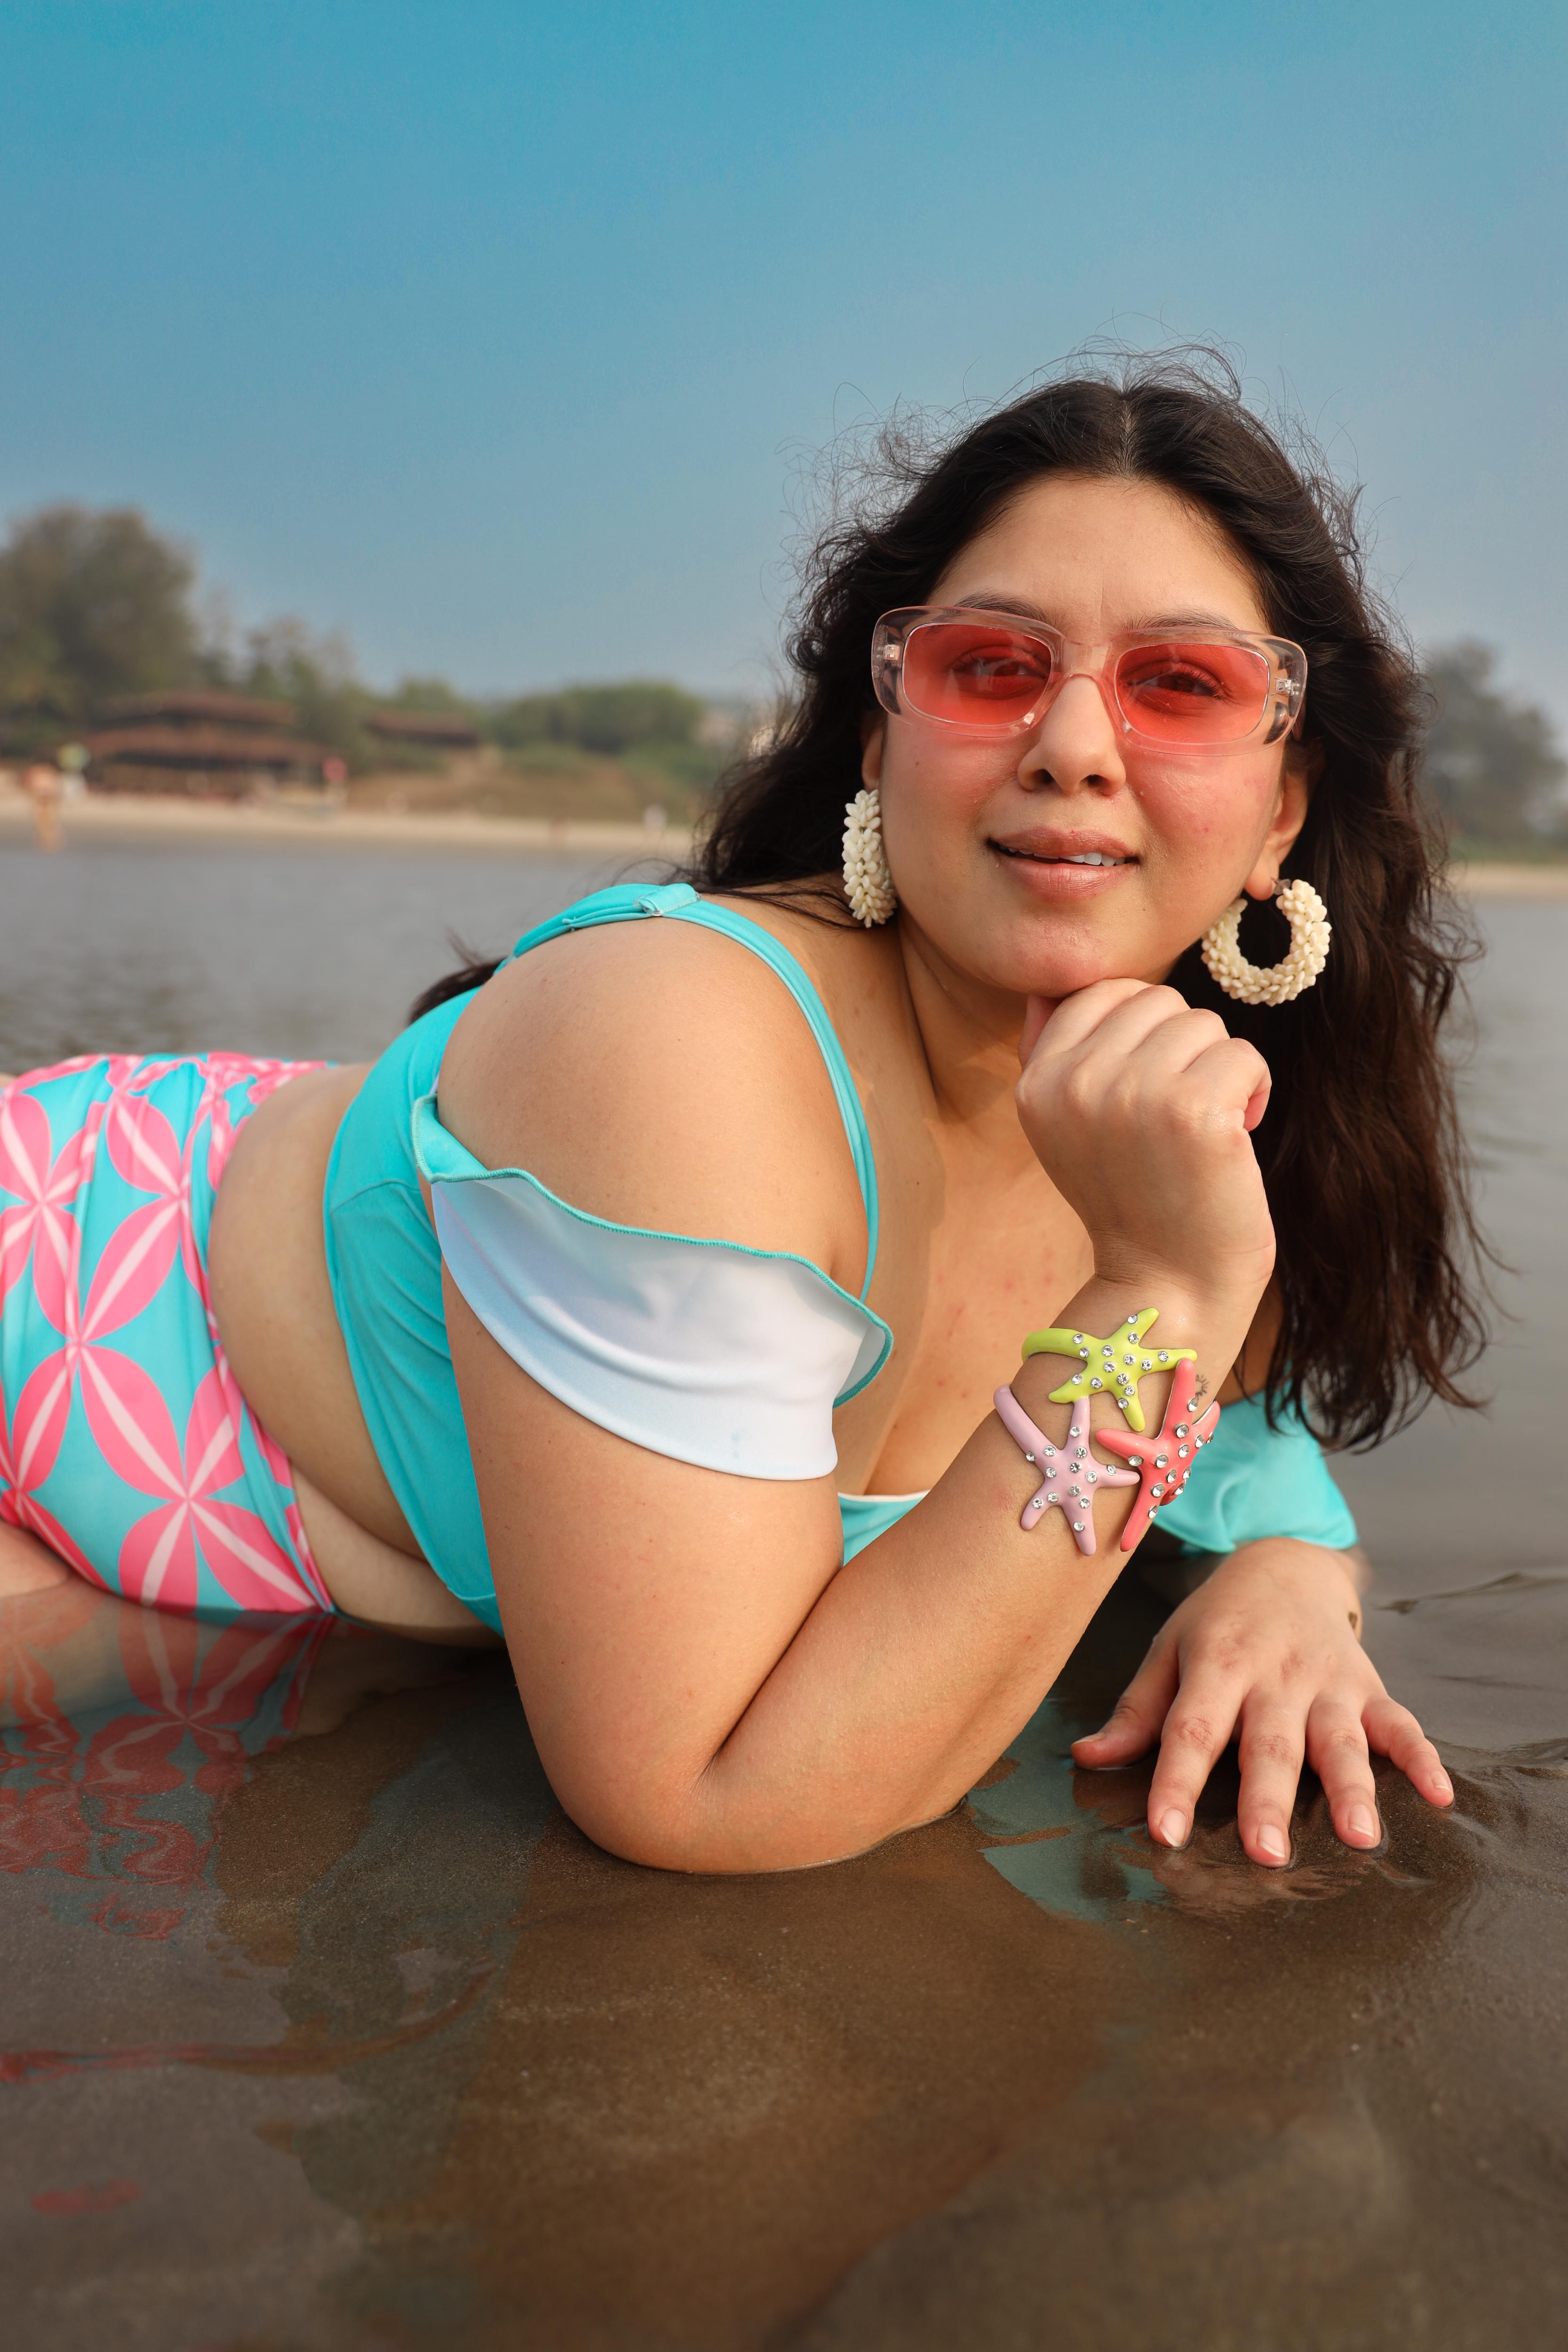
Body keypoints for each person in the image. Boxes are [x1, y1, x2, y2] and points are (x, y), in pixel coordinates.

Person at [0, 361, 1481, 1875]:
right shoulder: (685, 1045)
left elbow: (1246, 1451)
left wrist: (1292, 1579)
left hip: (253, 1542)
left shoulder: (1167, 1110)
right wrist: (1158, 1295)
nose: (1076, 745)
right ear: (877, 734)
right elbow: (707, 1791)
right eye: (992, 667)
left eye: (1182, 685)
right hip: (61, 1321)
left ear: (1283, 806)